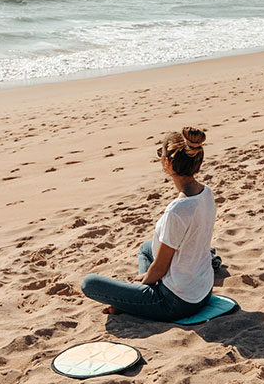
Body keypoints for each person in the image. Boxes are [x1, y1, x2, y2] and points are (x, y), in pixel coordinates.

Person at [80, 127, 216, 321]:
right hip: (203, 288)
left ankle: (135, 301)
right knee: (146, 249)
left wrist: (141, 282)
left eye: (161, 154)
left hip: (178, 302)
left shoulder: (177, 210)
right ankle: (135, 300)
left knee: (89, 283)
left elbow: (160, 269)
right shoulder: (206, 192)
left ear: (168, 163)